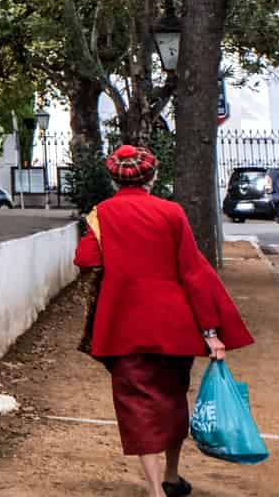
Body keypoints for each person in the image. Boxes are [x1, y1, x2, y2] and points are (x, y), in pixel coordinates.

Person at [74, 144, 253, 497]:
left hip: (122, 324)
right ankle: (172, 476)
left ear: (114, 180)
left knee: (136, 404)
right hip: (174, 325)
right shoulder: (171, 213)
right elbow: (193, 273)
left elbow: (84, 259)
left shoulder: (100, 215)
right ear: (152, 178)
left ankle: (155, 490)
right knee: (172, 399)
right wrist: (211, 332)